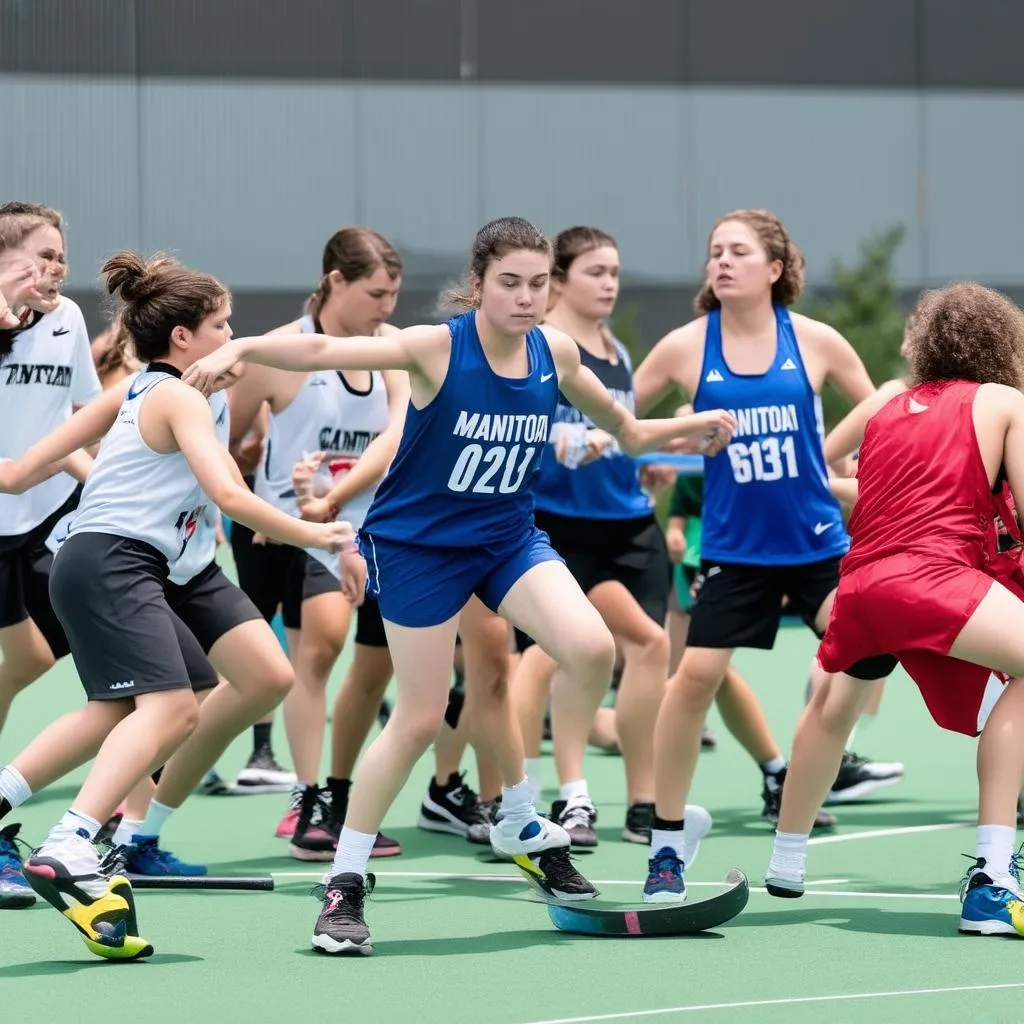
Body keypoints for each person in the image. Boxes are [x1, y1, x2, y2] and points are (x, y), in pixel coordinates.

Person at [185, 215, 736, 955]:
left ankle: (526, 813)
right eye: (509, 283)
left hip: (506, 540)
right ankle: (343, 884)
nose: (526, 298)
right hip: (420, 549)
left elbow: (630, 434)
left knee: (592, 649)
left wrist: (692, 426)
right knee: (415, 717)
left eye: (539, 284)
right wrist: (245, 345)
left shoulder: (557, 351)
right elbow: (321, 347)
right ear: (478, 286)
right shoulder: (436, 348)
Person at [0, 252, 349, 958]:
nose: (234, 335)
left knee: (244, 681)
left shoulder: (149, 390)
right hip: (116, 561)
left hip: (159, 563)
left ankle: (44, 814)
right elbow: (229, 494)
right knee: (171, 708)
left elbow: (17, 472)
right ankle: (78, 840)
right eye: (223, 324)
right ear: (184, 338)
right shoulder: (172, 396)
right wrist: (317, 533)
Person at [631, 208, 881, 902]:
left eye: (738, 251)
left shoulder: (817, 342)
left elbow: (884, 414)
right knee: (693, 682)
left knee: (861, 658)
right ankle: (669, 842)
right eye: (714, 251)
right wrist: (679, 437)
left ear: (775, 268)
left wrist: (856, 473)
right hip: (736, 552)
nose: (722, 261)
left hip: (815, 545)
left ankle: (796, 821)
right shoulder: (686, 347)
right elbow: (621, 419)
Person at [764, 282, 1024, 937]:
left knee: (831, 709)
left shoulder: (887, 407)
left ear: (925, 342)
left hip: (861, 586)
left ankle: (786, 861)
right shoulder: (1003, 403)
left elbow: (871, 494)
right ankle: (994, 877)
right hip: (935, 580)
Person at [508, 225, 696, 849]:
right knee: (549, 657)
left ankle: (642, 799)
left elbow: (622, 430)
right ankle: (562, 795)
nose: (610, 283)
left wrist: (646, 464)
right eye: (596, 271)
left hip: (628, 521)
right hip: (557, 526)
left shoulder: (616, 351)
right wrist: (560, 445)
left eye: (615, 271)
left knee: (648, 648)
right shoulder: (541, 346)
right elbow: (511, 425)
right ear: (558, 280)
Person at [226, 226, 406, 858]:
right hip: (287, 532)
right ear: (336, 282)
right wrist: (247, 497)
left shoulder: (394, 350)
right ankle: (308, 799)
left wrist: (334, 497)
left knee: (376, 665)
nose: (386, 308)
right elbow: (224, 444)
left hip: (372, 530)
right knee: (316, 651)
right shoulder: (280, 351)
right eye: (376, 294)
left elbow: (394, 439)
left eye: (393, 295)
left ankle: (338, 792)